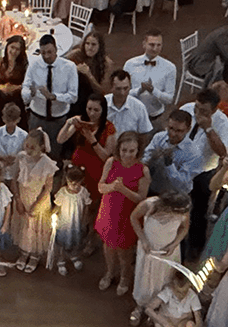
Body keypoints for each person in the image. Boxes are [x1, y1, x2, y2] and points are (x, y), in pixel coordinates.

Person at [179, 90, 228, 258]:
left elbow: (223, 152)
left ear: (214, 109)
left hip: (203, 171)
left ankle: (195, 247)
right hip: (181, 166)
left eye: (204, 111)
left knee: (199, 210)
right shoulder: (186, 109)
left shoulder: (223, 122)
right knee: (176, 204)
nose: (198, 113)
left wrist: (208, 128)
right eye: (197, 107)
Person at [97, 131, 152, 295]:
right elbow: (101, 186)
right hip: (109, 211)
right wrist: (111, 187)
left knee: (124, 252)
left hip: (128, 216)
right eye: (124, 150)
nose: (127, 154)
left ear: (138, 151)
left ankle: (124, 277)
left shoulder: (143, 170)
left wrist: (122, 189)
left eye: (131, 151)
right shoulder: (111, 162)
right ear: (118, 148)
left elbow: (141, 199)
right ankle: (109, 272)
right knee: (108, 247)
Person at [130, 192, 192, 323]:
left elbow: (184, 228)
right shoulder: (149, 204)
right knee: (145, 277)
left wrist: (174, 244)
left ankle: (156, 307)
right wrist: (143, 240)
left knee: (164, 279)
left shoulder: (183, 211)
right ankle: (140, 306)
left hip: (168, 252)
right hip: (149, 248)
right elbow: (134, 218)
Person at [5, 128, 60, 271]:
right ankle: (23, 254)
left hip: (38, 202)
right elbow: (14, 180)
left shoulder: (47, 164)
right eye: (27, 146)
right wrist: (17, 199)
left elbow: (47, 188)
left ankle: (35, 255)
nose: (28, 150)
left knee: (36, 230)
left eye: (32, 147)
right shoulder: (21, 157)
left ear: (41, 147)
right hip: (23, 199)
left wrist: (36, 205)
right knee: (24, 228)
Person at [23, 33, 80, 153]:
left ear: (56, 49)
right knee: (32, 152)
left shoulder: (69, 67)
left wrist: (54, 97)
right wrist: (29, 94)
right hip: (36, 116)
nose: (46, 56)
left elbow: (73, 97)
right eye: (43, 53)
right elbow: (25, 87)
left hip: (58, 119)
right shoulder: (34, 65)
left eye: (50, 52)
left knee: (54, 152)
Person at [60, 94, 116, 204]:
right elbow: (61, 139)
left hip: (95, 171)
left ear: (103, 110)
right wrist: (68, 123)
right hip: (77, 169)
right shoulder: (82, 121)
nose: (92, 113)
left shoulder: (109, 128)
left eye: (96, 110)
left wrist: (92, 139)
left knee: (90, 202)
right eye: (89, 109)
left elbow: (105, 156)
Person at [143, 111, 206, 199]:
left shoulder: (194, 154)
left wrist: (169, 165)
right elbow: (143, 160)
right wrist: (151, 158)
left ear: (188, 129)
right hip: (152, 188)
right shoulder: (159, 137)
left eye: (179, 131)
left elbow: (181, 183)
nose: (173, 134)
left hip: (174, 196)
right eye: (171, 128)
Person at [123, 30, 179, 125]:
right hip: (132, 115)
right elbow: (123, 92)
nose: (155, 48)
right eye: (152, 45)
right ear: (144, 44)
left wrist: (153, 91)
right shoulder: (130, 64)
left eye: (158, 45)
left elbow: (169, 99)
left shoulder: (170, 68)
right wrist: (139, 90)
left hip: (156, 117)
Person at [52, 164, 96, 276]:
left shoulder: (83, 192)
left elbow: (87, 205)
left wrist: (85, 219)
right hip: (64, 223)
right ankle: (61, 260)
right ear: (66, 180)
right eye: (72, 183)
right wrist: (52, 216)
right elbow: (57, 206)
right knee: (62, 242)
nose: (74, 186)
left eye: (77, 183)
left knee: (76, 241)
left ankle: (74, 255)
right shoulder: (62, 192)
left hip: (77, 222)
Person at [0, 100, 31, 180]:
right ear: (3, 119)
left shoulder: (24, 135)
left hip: (17, 171)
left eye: (13, 121)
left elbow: (28, 153)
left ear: (18, 120)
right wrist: (2, 158)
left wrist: (17, 158)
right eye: (8, 120)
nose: (10, 124)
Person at [68, 30, 113, 103]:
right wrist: (74, 69)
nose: (89, 47)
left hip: (94, 98)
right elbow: (61, 64)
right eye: (87, 43)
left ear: (99, 46)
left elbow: (104, 92)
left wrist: (89, 75)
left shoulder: (106, 63)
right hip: (76, 93)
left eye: (93, 44)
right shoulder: (76, 54)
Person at [106, 69, 154, 138]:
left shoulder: (139, 107)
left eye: (125, 88)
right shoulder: (102, 103)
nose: (122, 93)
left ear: (130, 87)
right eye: (118, 89)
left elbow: (144, 134)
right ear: (111, 87)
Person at [0, 33, 30, 109]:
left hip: (16, 99)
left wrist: (15, 88)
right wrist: (2, 88)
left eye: (17, 49)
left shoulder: (24, 65)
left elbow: (27, 83)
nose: (14, 51)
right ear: (7, 46)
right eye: (12, 47)